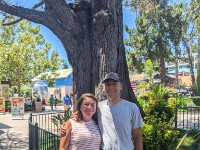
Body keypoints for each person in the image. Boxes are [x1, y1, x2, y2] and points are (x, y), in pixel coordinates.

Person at [60, 72, 143, 150]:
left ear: (120, 86)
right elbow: (81, 113)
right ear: (103, 88)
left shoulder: (132, 108)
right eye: (108, 84)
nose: (111, 87)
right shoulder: (98, 106)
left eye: (114, 84)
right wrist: (65, 126)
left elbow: (137, 136)